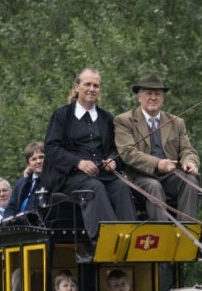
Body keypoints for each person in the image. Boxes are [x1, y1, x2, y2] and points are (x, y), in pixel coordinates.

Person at [41, 68, 136, 241]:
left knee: (122, 187)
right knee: (94, 187)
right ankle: (108, 241)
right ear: (77, 87)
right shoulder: (61, 115)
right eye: (88, 84)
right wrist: (78, 163)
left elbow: (116, 149)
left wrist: (113, 160)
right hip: (70, 177)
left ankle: (131, 240)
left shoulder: (106, 118)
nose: (92, 89)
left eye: (96, 86)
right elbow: (52, 148)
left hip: (103, 174)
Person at [114, 72, 200, 221]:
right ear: (139, 97)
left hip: (170, 175)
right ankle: (162, 232)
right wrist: (158, 164)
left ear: (162, 98)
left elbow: (187, 149)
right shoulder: (124, 120)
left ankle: (186, 230)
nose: (153, 97)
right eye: (149, 93)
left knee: (190, 181)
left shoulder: (176, 122)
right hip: (140, 177)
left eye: (157, 94)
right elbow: (128, 152)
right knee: (154, 186)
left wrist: (189, 162)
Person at [5, 142, 45, 218]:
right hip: (19, 222)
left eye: (41, 157)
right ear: (28, 164)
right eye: (34, 159)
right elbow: (11, 208)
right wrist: (8, 220)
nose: (38, 161)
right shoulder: (21, 183)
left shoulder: (53, 180)